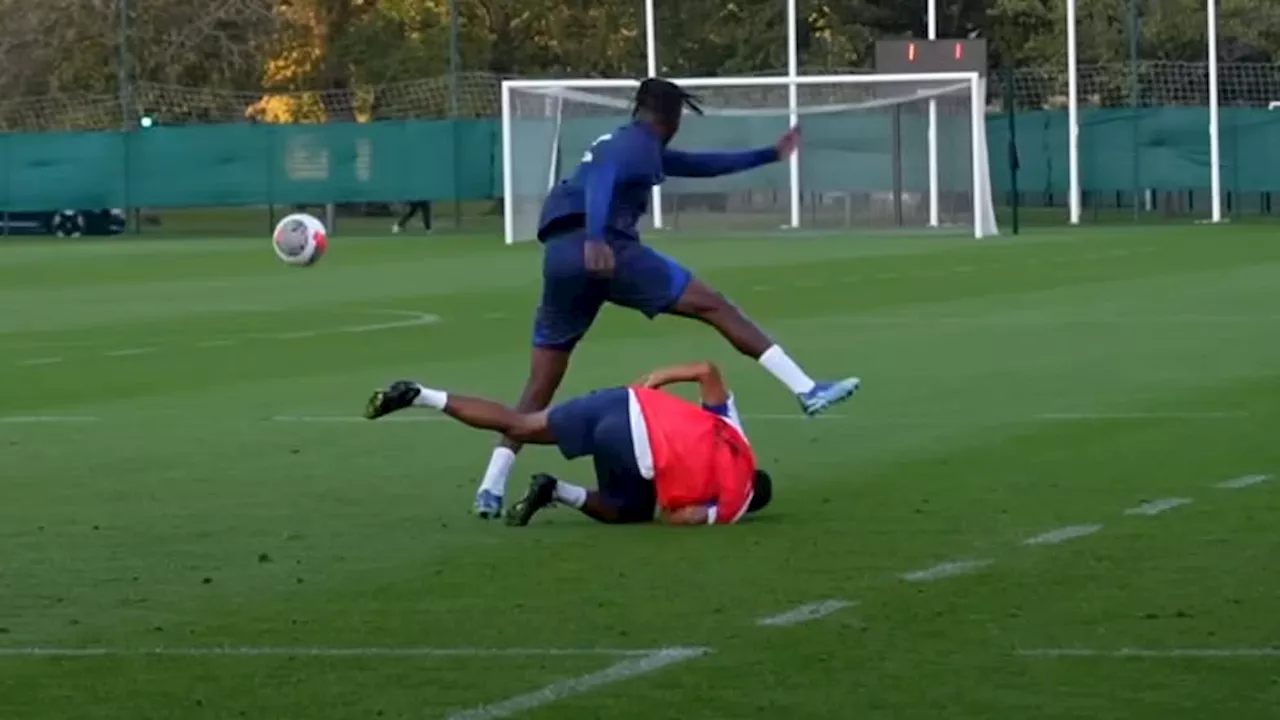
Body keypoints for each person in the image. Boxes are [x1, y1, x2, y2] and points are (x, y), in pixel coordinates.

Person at [471, 76, 860, 519]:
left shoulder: (633, 143)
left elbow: (701, 165)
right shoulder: (632, 146)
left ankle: (491, 486)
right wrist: (597, 236)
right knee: (715, 306)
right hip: (607, 250)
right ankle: (806, 388)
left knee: (540, 384)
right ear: (672, 118)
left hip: (561, 258)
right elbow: (602, 178)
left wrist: (769, 154)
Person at [364, 360, 771, 527]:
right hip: (636, 447)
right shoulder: (735, 503)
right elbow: (680, 519)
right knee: (628, 509)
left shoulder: (734, 434)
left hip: (625, 400)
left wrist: (658, 379)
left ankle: (421, 394)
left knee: (520, 424)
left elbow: (706, 370)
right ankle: (557, 490)